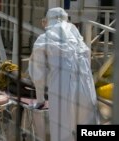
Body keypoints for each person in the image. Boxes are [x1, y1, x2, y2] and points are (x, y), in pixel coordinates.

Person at [28, 7, 100, 141]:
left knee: (64, 133)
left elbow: (38, 75)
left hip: (62, 90)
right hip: (87, 89)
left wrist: (40, 100)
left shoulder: (44, 39)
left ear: (47, 21)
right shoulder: (79, 41)